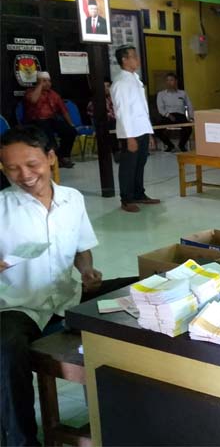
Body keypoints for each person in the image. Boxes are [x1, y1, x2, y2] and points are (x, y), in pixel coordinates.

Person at [0, 127, 135, 446]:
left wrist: (87, 271)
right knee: (4, 351)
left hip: (67, 296)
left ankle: (125, 412)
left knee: (141, 289)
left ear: (51, 158)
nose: (24, 175)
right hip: (17, 307)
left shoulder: (71, 199)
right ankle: (20, 439)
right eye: (12, 168)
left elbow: (81, 248)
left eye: (32, 164)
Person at [111, 45, 160, 213]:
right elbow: (122, 112)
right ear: (124, 60)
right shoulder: (120, 82)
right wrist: (129, 137)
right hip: (130, 133)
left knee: (140, 164)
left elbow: (142, 109)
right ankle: (127, 199)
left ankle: (139, 193)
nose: (137, 59)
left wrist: (149, 133)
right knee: (128, 166)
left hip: (142, 129)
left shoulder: (135, 78)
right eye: (134, 56)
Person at [23, 71, 77, 168]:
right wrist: (40, 85)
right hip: (35, 121)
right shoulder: (30, 92)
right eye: (44, 81)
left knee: (71, 131)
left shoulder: (54, 94)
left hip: (52, 120)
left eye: (49, 81)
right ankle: (53, 160)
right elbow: (33, 100)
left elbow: (64, 110)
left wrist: (71, 124)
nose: (48, 83)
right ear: (38, 82)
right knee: (49, 138)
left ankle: (63, 156)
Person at [155, 72, 194, 152]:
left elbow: (189, 106)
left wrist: (191, 117)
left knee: (188, 129)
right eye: (167, 80)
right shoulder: (161, 94)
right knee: (157, 130)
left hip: (180, 115)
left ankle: (181, 145)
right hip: (167, 116)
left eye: (171, 80)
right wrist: (168, 115)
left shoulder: (183, 93)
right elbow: (160, 108)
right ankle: (170, 145)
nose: (169, 83)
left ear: (176, 81)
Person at [86, 80, 120, 161]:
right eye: (103, 87)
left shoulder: (114, 98)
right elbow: (100, 114)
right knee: (112, 123)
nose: (106, 89)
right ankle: (116, 152)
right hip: (103, 124)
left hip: (115, 122)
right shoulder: (95, 101)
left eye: (108, 86)